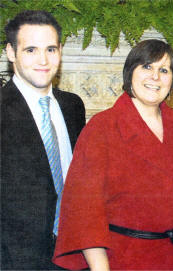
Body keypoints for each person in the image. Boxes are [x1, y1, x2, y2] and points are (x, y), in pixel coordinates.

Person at [52, 39, 173, 270]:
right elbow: (83, 212)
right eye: (146, 66)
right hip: (124, 260)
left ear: (172, 81)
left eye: (164, 70)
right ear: (129, 72)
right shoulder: (102, 127)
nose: (155, 76)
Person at [1, 10, 86, 270]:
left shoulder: (73, 106)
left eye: (50, 49)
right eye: (30, 50)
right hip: (15, 260)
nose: (43, 60)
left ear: (60, 50)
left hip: (72, 253)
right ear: (11, 52)